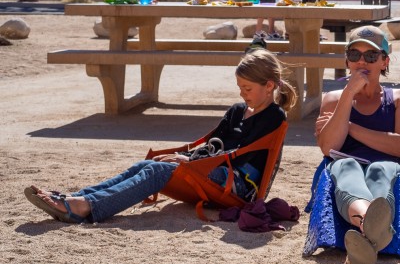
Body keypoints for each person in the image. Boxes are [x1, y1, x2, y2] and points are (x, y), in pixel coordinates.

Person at [24, 49, 297, 224]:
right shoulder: (238, 110)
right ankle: (76, 197)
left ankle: (84, 208)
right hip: (215, 170)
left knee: (157, 171)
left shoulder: (274, 116)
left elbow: (238, 154)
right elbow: (213, 143)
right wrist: (187, 156)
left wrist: (187, 161)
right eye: (240, 87)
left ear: (269, 85)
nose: (242, 94)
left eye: (247, 88)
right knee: (146, 166)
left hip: (237, 185)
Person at [314, 26, 400, 264]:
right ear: (347, 61)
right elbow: (329, 147)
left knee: (380, 168)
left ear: (384, 61)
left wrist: (349, 127)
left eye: (371, 56)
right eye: (354, 54)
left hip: (388, 168)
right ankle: (368, 227)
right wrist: (348, 94)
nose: (362, 61)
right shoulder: (333, 98)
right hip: (345, 166)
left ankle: (365, 235)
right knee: (345, 165)